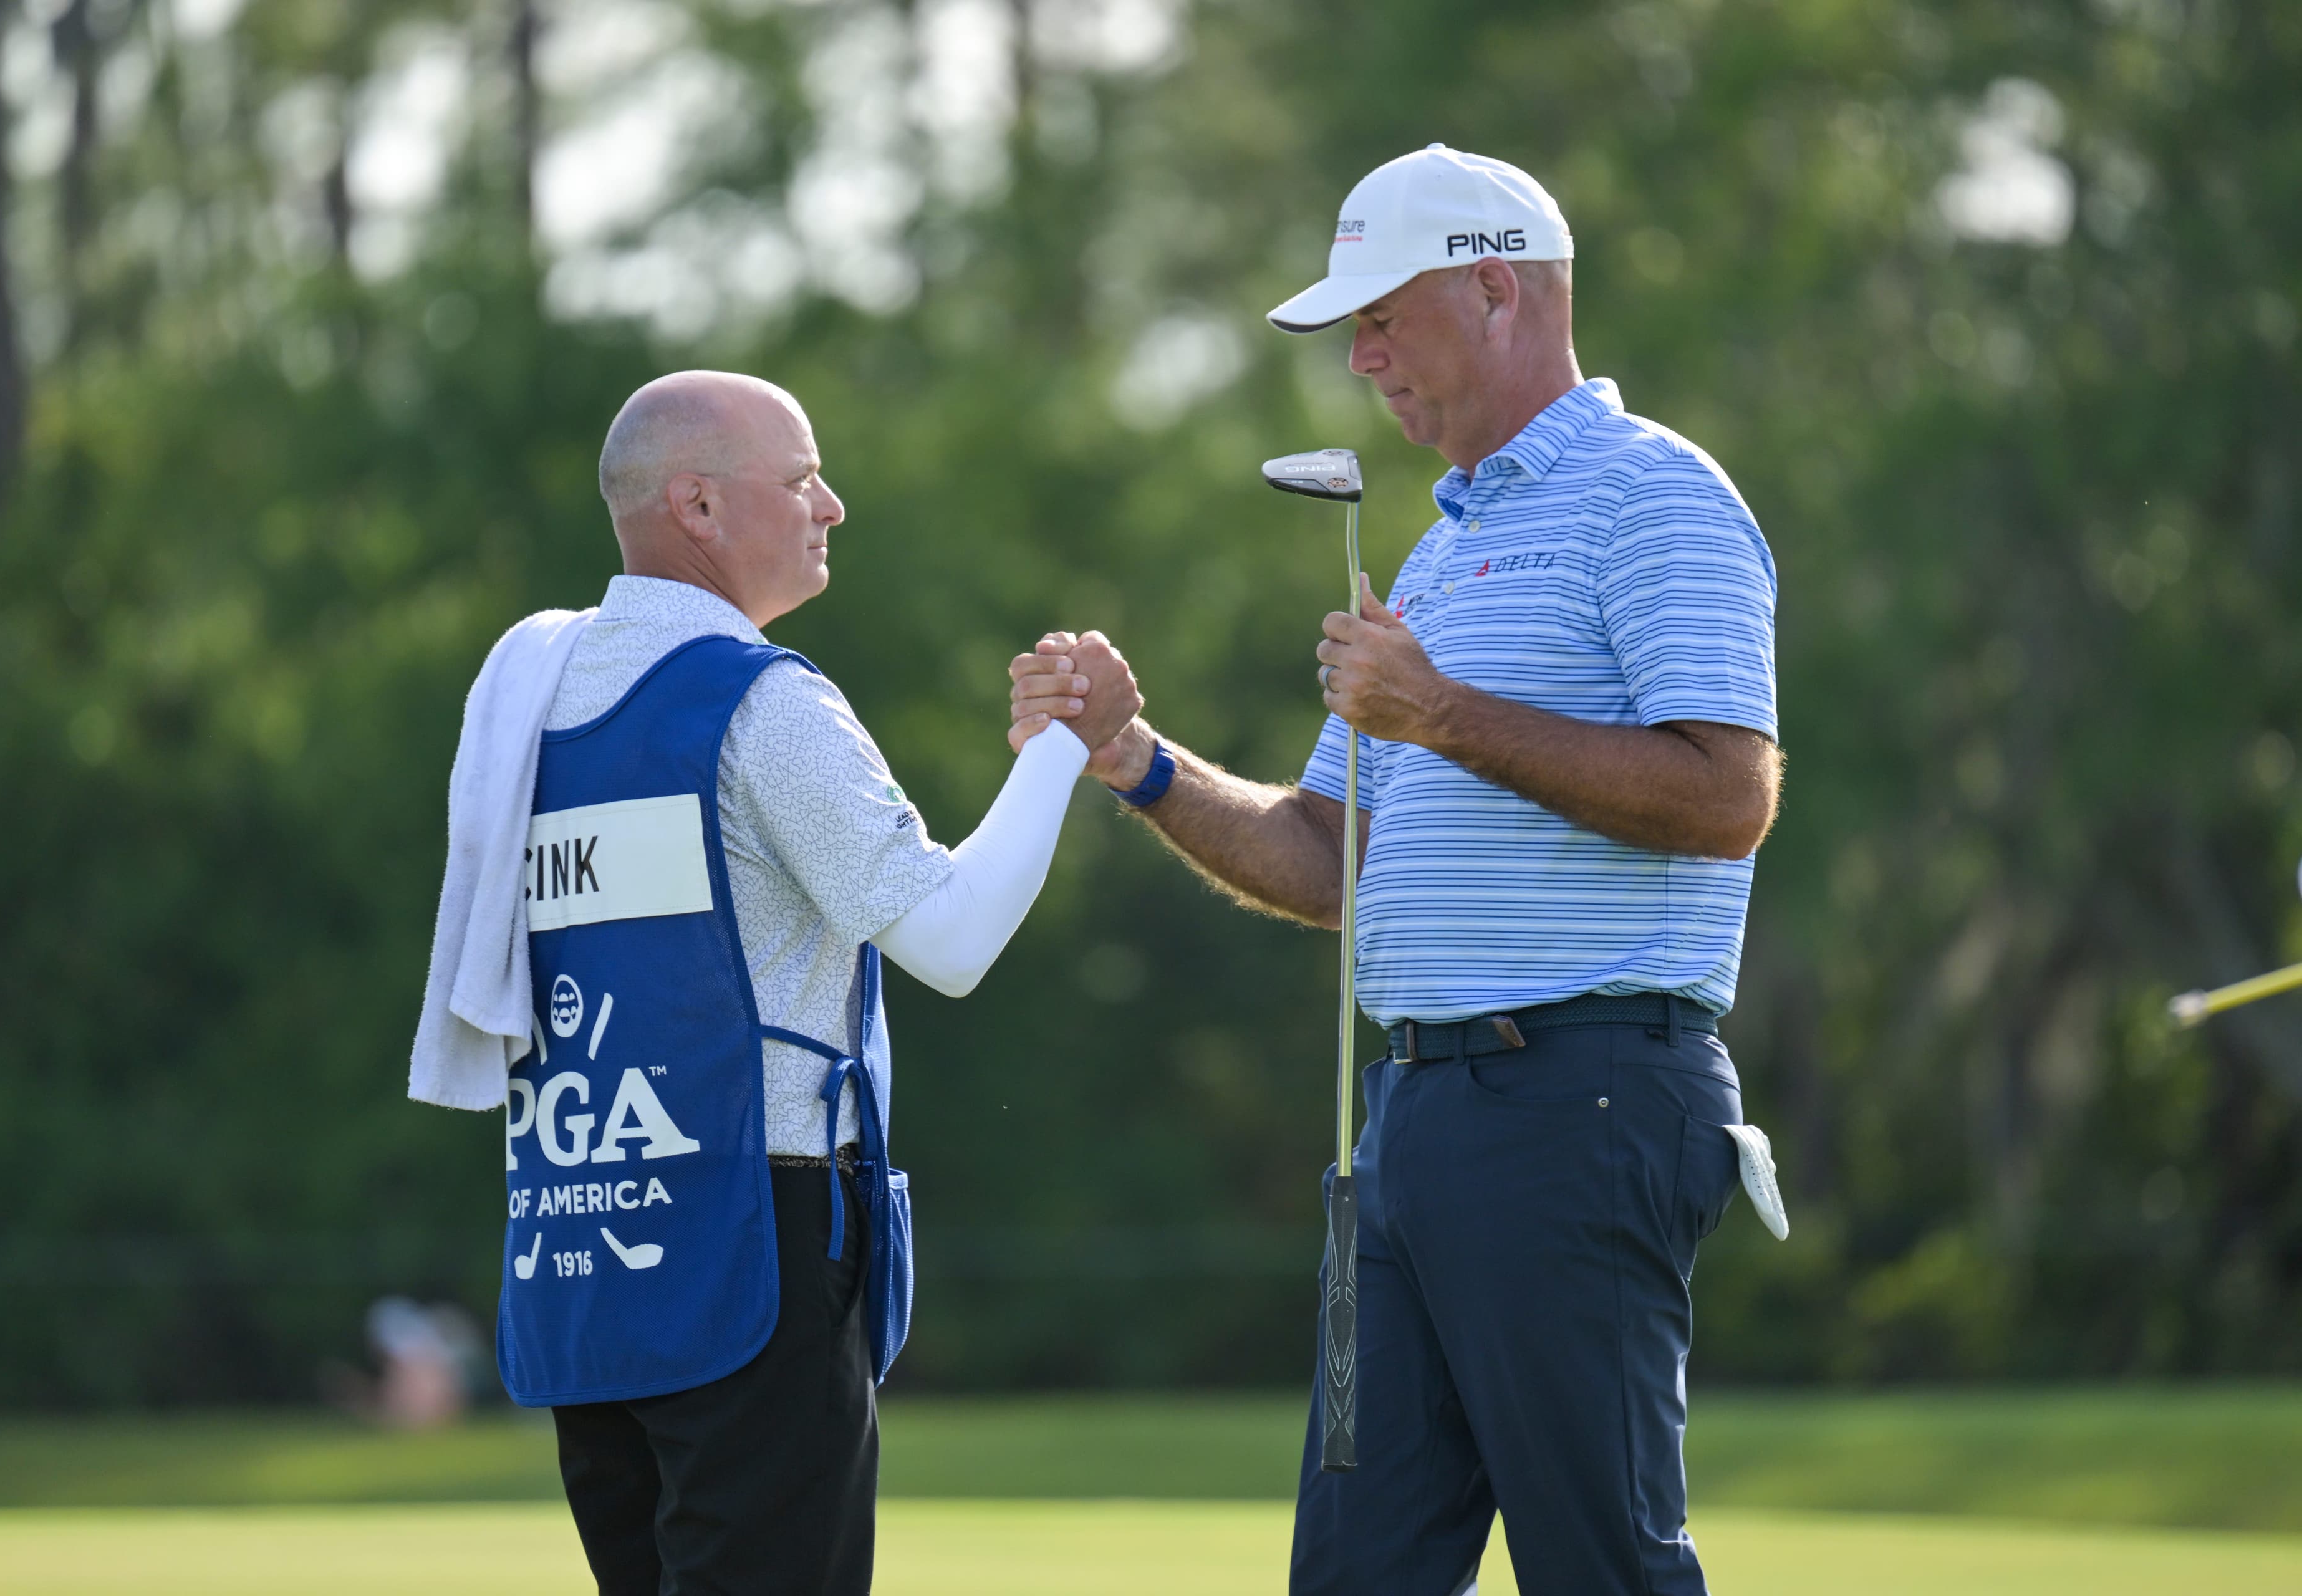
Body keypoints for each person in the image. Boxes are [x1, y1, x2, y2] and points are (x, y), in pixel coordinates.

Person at [1011, 146, 1783, 1596]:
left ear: (1496, 289)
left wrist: (1439, 713)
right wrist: (1139, 760)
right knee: (1355, 1572)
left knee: (1601, 1562)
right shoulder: (1440, 550)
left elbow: (1730, 798)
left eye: (1382, 316)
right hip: (1413, 1121)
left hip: (1585, 1096)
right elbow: (1326, 857)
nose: (1361, 358)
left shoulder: (1656, 496)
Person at [410, 371, 1135, 1595]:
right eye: (802, 478)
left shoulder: (532, 706)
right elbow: (948, 936)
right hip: (748, 1244)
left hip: (579, 1247)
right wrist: (1065, 746)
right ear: (698, 504)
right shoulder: (762, 698)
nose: (833, 504)